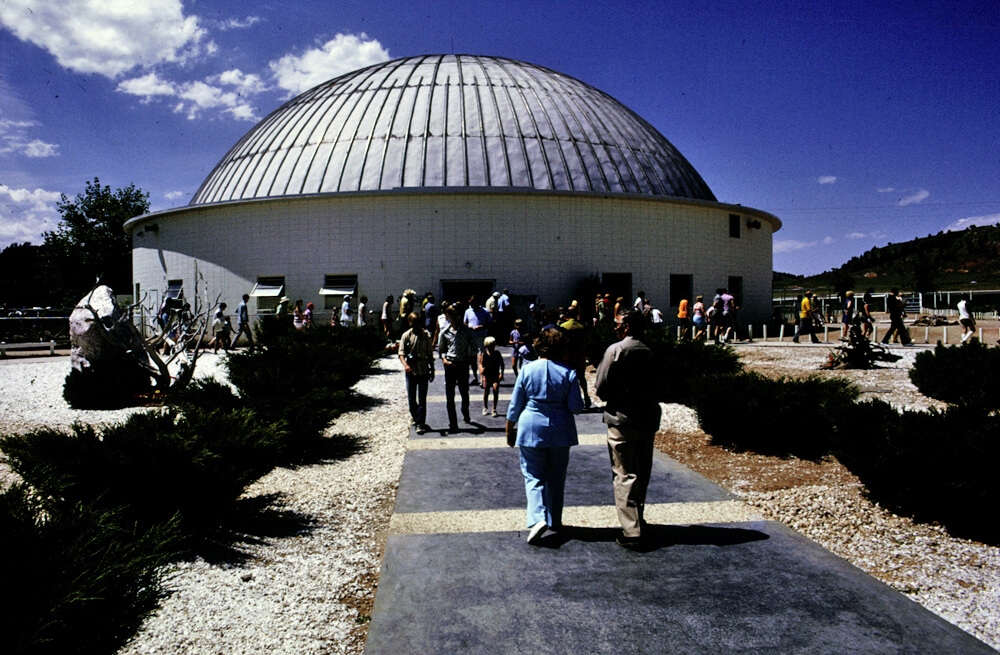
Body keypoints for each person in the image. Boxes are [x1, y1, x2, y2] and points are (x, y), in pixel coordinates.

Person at [506, 328, 584, 544]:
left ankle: (537, 517)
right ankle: (554, 519)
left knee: (533, 474)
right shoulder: (569, 373)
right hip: (561, 428)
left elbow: (515, 405)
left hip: (531, 426)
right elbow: (576, 407)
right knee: (557, 475)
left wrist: (509, 429)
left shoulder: (528, 370)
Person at [595, 309, 662, 549]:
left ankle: (631, 530)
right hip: (648, 417)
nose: (614, 327)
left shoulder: (615, 350)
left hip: (622, 417)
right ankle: (638, 518)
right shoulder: (651, 350)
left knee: (623, 473)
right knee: (642, 469)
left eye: (617, 324)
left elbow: (601, 385)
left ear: (625, 327)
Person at [438, 303, 477, 432]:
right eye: (451, 315)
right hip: (450, 365)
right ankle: (452, 423)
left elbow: (474, 348)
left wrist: (470, 362)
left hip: (462, 365)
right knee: (450, 395)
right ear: (447, 316)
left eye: (456, 314)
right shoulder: (444, 332)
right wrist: (444, 360)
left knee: (464, 393)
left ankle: (465, 412)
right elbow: (442, 349)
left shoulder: (467, 331)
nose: (454, 317)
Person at [399, 312, 435, 434]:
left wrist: (432, 369)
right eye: (413, 323)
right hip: (411, 370)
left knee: (422, 398)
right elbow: (401, 353)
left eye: (418, 322)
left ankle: (420, 423)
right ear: (410, 323)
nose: (416, 325)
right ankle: (414, 415)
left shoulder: (426, 335)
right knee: (411, 397)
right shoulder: (406, 335)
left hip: (423, 369)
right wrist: (406, 366)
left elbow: (430, 354)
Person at [559, 306, 592, 408]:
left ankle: (567, 399)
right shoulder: (582, 326)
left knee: (566, 378)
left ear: (567, 314)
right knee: (581, 378)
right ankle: (586, 397)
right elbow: (588, 341)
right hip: (580, 354)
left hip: (568, 355)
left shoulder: (563, 326)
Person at [464, 295, 491, 383]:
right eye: (470, 303)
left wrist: (481, 327)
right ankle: (475, 377)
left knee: (481, 358)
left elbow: (490, 323)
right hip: (471, 337)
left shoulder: (485, 312)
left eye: (473, 303)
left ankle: (482, 378)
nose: (471, 305)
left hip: (481, 337)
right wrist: (469, 327)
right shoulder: (468, 311)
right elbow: (465, 322)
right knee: (472, 358)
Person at [479, 336, 505, 416]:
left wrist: (501, 373)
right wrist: (481, 372)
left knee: (495, 389)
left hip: (495, 375)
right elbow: (480, 363)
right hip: (487, 375)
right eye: (490, 346)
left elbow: (502, 364)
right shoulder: (484, 354)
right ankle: (485, 407)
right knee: (486, 391)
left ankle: (494, 409)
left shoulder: (497, 354)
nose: (491, 348)